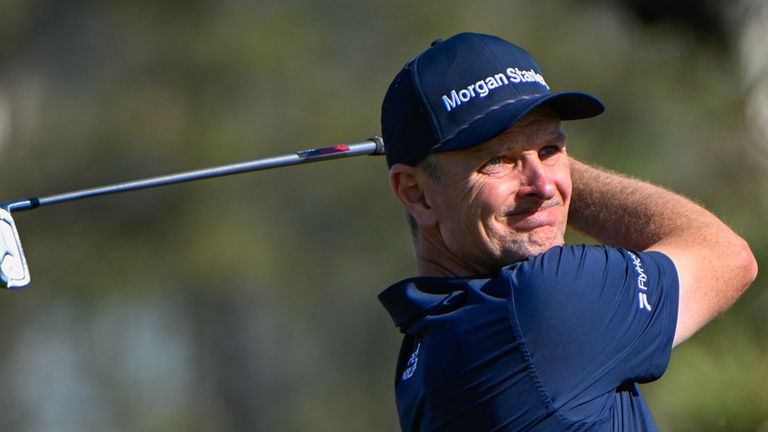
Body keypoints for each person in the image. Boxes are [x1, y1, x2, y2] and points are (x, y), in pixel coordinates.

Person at [377, 32, 758, 431]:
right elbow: (726, 255)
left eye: (550, 150)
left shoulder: (422, 351)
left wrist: (516, 152)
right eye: (498, 160)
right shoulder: (542, 301)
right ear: (415, 193)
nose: (543, 186)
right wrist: (549, 155)